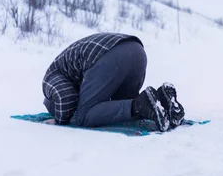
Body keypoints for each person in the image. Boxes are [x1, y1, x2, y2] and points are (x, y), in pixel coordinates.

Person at [41, 32, 184, 132]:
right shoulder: (69, 72)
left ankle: (141, 104)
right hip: (136, 50)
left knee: (84, 116)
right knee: (124, 108)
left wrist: (60, 120)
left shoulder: (50, 79)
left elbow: (65, 98)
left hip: (109, 56)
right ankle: (163, 101)